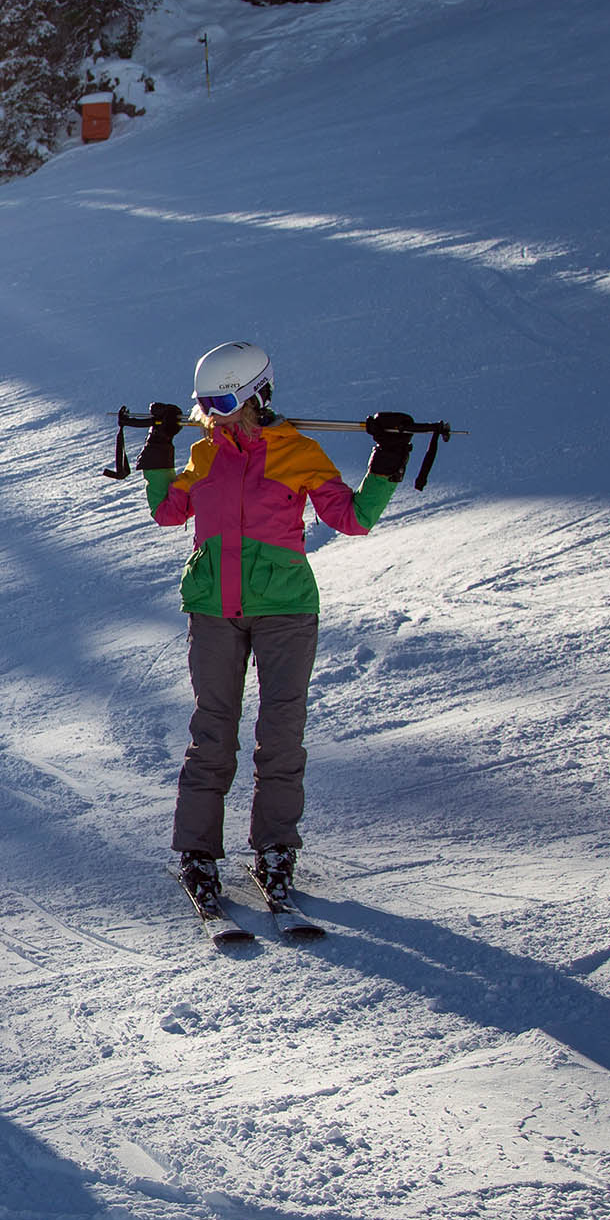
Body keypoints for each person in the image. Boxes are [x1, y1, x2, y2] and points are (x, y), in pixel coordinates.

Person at [136, 342, 413, 911]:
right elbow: (168, 512)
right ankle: (197, 853)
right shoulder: (206, 454)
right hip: (214, 608)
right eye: (205, 405)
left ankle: (275, 850)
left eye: (224, 402)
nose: (213, 415)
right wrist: (161, 445)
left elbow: (352, 519)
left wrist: (389, 457)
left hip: (285, 610)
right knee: (212, 731)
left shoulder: (299, 452)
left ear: (256, 395)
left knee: (281, 733)